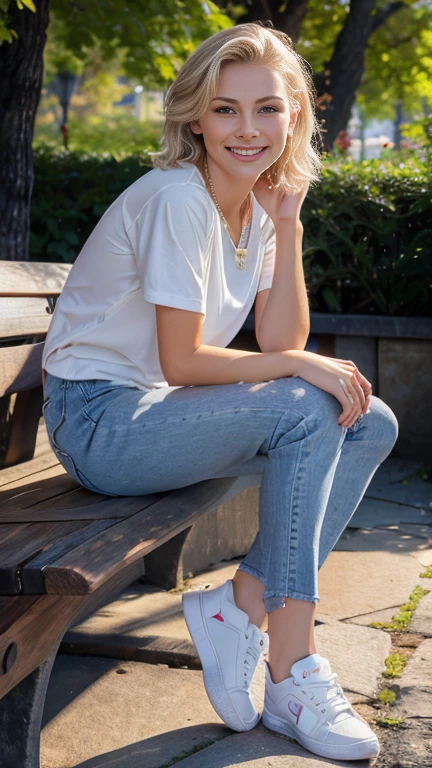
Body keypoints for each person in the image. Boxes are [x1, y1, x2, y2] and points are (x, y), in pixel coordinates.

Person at [42, 22, 398, 762]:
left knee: (370, 421)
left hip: (148, 412)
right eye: (226, 109)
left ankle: (240, 607)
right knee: (310, 403)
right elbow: (182, 361)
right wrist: (303, 370)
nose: (247, 129)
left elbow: (277, 340)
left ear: (294, 115)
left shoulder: (256, 206)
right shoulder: (179, 198)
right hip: (99, 424)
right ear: (195, 117)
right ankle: (293, 669)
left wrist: (290, 225)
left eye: (267, 108)